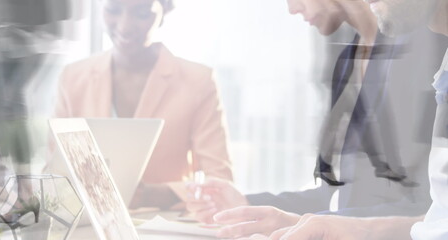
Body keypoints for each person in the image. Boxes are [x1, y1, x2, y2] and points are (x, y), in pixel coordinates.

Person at [186, 0, 447, 238]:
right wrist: (246, 205)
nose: (291, 9)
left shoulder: (424, 45)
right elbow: (339, 193)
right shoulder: (350, 58)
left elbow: (430, 205)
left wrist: (326, 224)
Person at [52, 0, 233, 209]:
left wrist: (155, 195)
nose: (124, 26)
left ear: (163, 12)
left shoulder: (198, 81)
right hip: (87, 224)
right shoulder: (72, 78)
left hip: (165, 227)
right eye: (113, 10)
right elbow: (54, 173)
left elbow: (221, 182)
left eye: (141, 13)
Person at [0, 0, 74, 227]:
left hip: (32, 42)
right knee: (1, 106)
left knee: (15, 102)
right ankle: (18, 194)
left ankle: (26, 194)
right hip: (5, 43)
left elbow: (59, 24)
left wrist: (27, 34)